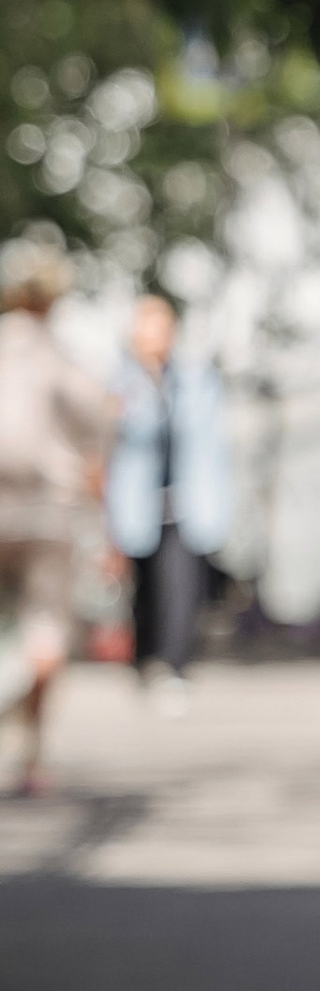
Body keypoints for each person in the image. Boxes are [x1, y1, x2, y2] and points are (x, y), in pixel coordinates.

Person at [0, 237, 116, 799]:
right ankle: (31, 757)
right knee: (45, 627)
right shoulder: (61, 357)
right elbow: (97, 434)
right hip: (49, 512)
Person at [106, 294, 233, 710]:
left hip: (186, 502)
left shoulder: (197, 380)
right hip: (137, 504)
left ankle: (175, 667)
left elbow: (214, 445)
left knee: (180, 588)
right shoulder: (119, 384)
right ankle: (146, 661)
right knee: (144, 591)